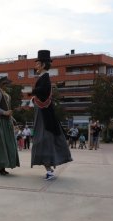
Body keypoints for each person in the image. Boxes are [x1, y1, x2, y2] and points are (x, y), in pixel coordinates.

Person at [31, 50, 72, 180]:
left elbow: (43, 91)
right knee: (43, 140)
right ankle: (49, 168)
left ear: (43, 65)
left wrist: (33, 93)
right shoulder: (44, 78)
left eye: (37, 63)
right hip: (44, 114)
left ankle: (49, 170)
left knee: (43, 141)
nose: (35, 65)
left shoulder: (45, 78)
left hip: (44, 115)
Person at [0, 77, 20, 175]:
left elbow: (8, 111)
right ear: (1, 85)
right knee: (2, 144)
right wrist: (4, 112)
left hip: (7, 122)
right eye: (6, 84)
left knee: (9, 144)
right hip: (1, 123)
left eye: (8, 84)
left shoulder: (7, 95)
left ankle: (6, 164)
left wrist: (12, 118)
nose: (8, 86)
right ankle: (1, 167)